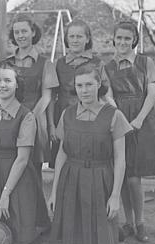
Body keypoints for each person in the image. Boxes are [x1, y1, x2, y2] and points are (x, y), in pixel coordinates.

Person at [48, 63, 132, 244]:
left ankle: (110, 231)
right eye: (79, 86)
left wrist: (114, 196)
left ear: (99, 85)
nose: (84, 90)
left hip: (99, 180)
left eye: (89, 85)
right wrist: (54, 191)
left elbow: (120, 159)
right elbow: (62, 154)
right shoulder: (67, 114)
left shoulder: (114, 115)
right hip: (72, 180)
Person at [0, 61, 50, 244]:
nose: (2, 85)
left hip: (16, 179)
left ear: (17, 84)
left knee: (18, 242)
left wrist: (6, 194)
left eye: (7, 80)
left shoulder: (27, 116)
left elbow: (22, 159)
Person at [105, 21, 155, 242]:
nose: (123, 42)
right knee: (125, 175)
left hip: (142, 121)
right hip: (120, 119)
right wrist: (121, 119)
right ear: (114, 39)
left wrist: (137, 120)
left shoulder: (145, 62)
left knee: (135, 177)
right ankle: (127, 223)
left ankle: (140, 223)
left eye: (127, 38)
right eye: (119, 38)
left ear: (134, 40)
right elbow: (108, 95)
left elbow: (151, 94)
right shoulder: (108, 67)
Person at [47, 19, 111, 168]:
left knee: (85, 161)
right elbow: (51, 97)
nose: (75, 40)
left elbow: (105, 95)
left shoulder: (97, 63)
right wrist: (51, 124)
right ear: (66, 39)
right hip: (63, 115)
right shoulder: (59, 63)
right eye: (71, 36)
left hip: (90, 116)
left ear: (87, 39)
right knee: (62, 163)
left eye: (79, 36)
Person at [7, 14, 59, 178]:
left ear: (33, 33)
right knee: (10, 166)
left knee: (32, 171)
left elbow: (46, 97)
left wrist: (27, 119)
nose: (21, 35)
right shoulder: (6, 63)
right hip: (9, 119)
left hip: (34, 119)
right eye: (17, 32)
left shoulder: (45, 64)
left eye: (24, 31)